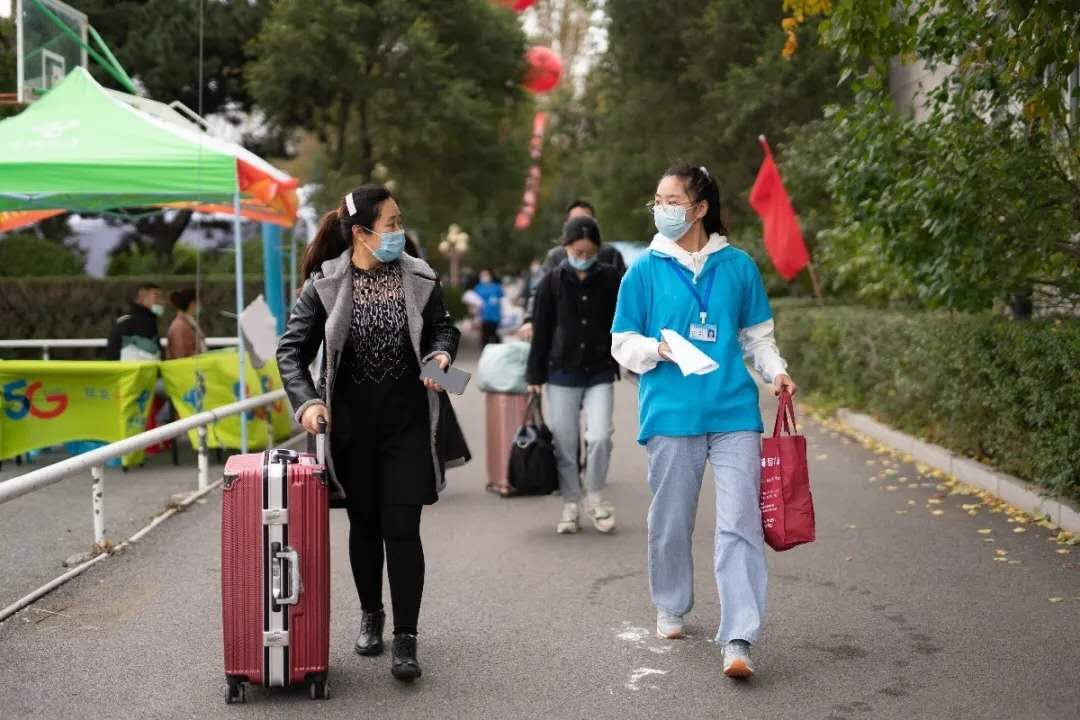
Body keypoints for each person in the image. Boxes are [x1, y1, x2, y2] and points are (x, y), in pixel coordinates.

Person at [610, 164, 797, 680]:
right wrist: (658, 349)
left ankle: (739, 637)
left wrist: (777, 372)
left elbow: (757, 337)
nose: (661, 209)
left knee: (740, 522)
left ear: (700, 208)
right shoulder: (643, 270)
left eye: (671, 201)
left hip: (733, 410)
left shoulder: (738, 266)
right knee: (671, 519)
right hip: (670, 412)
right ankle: (671, 603)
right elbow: (622, 342)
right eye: (657, 200)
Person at [277, 184, 466, 683]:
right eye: (391, 224)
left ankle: (406, 637)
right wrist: (308, 403)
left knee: (402, 528)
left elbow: (444, 328)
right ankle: (370, 614)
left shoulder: (420, 276)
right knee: (364, 527)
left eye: (400, 222)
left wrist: (442, 354)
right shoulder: (325, 284)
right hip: (350, 429)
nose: (400, 231)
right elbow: (290, 352)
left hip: (408, 424)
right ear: (361, 233)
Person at [526, 216, 620, 534]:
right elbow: (541, 333)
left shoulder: (611, 278)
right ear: (565, 247)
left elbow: (623, 322)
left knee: (600, 436)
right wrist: (533, 377)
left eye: (590, 251)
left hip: (599, 371)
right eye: (577, 251)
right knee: (565, 444)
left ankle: (594, 496)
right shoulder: (551, 282)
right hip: (561, 373)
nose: (583, 256)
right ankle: (570, 502)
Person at [520, 200, 626, 340]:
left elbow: (626, 291)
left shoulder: (610, 254)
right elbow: (539, 292)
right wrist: (529, 320)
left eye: (586, 220)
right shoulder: (556, 256)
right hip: (563, 334)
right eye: (576, 220)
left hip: (603, 334)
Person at [105, 283, 164, 361]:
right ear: (142, 299)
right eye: (157, 297)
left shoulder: (126, 320)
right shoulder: (143, 323)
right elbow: (151, 356)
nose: (162, 302)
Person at [165, 288, 207, 359]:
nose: (201, 304)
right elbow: (181, 355)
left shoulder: (188, 323)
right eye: (199, 301)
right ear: (192, 303)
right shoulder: (180, 326)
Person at [473, 268, 504, 347]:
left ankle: (497, 352)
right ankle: (486, 352)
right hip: (483, 316)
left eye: (486, 275)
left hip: (496, 316)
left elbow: (502, 298)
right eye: (482, 275)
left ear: (490, 276)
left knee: (496, 336)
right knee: (485, 337)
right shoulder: (478, 288)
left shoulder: (496, 286)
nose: (484, 277)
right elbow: (473, 301)